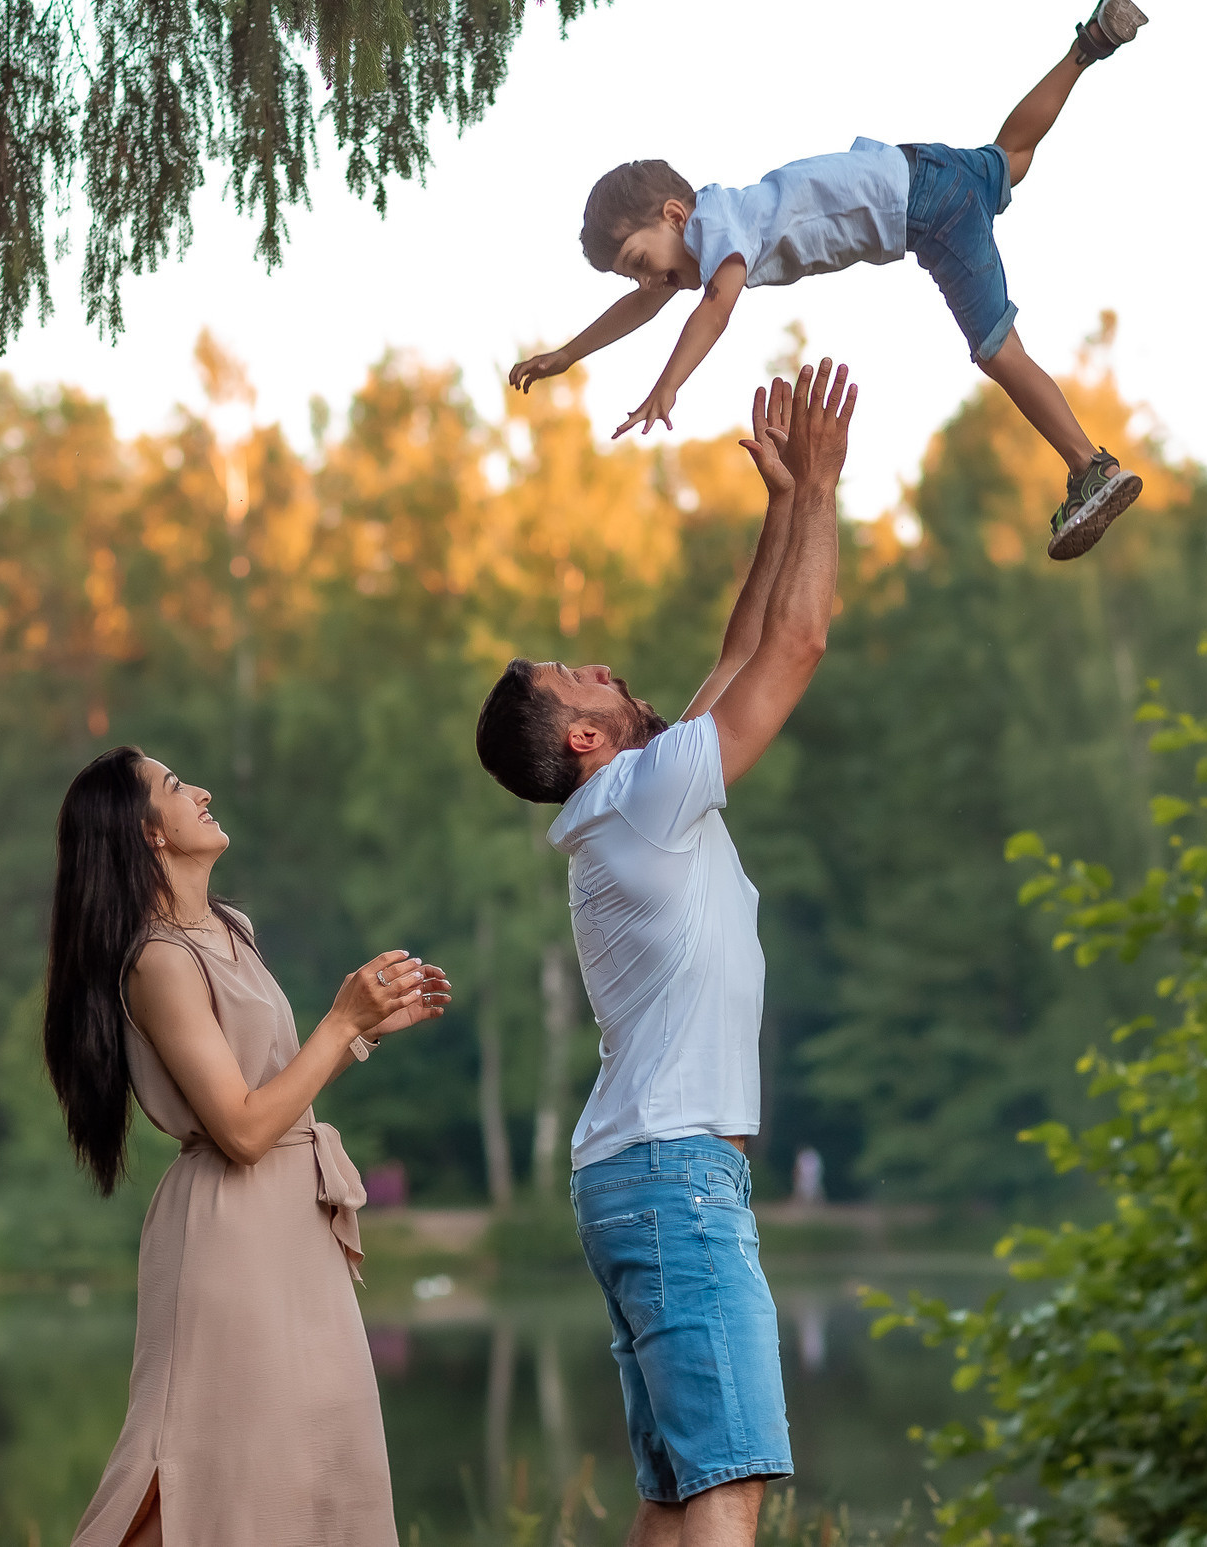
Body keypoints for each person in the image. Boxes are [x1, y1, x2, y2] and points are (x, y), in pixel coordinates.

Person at [472, 357, 855, 1547]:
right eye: (579, 674)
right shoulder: (640, 795)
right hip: (675, 1178)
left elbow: (739, 650)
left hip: (636, 1178)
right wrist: (831, 488)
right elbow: (792, 651)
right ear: (583, 734)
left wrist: (784, 506)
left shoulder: (633, 801)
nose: (605, 664)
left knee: (676, 1492)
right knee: (725, 1487)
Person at [511, 0, 1150, 562]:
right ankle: (1089, 45)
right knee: (1010, 157)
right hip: (920, 170)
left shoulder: (719, 226)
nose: (648, 284)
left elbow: (715, 309)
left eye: (640, 264)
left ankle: (1088, 464)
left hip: (923, 213)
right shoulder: (710, 225)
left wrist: (666, 386)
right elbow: (645, 308)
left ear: (675, 216)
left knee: (997, 349)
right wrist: (569, 353)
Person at [45, 745, 450, 1547]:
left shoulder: (232, 927)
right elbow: (239, 1127)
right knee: (211, 1470)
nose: (198, 790)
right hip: (227, 1233)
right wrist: (340, 1021)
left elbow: (271, 1086)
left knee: (318, 1463)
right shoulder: (158, 961)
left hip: (295, 1219)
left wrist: (361, 1033)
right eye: (172, 785)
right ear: (145, 832)